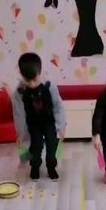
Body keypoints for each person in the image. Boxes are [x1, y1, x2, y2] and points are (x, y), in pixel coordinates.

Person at [13, 52, 66, 180]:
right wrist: (21, 133)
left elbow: (59, 107)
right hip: (33, 123)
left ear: (40, 72)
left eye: (35, 80)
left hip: (49, 122)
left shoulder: (49, 86)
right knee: (36, 147)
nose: (31, 84)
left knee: (52, 146)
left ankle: (51, 167)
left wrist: (60, 127)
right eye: (27, 80)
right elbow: (19, 114)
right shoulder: (20, 92)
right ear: (22, 75)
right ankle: (35, 167)